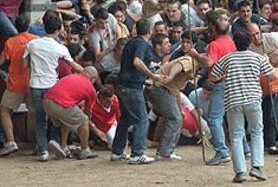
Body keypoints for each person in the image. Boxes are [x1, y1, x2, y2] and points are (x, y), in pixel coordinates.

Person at [210, 31, 276, 183]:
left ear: (235, 43)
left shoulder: (227, 59)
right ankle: (257, 167)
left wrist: (225, 76)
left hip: (233, 100)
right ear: (249, 42)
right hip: (253, 99)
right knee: (257, 132)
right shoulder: (257, 57)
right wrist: (266, 62)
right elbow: (274, 76)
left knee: (236, 136)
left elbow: (213, 76)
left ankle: (240, 172)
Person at [24, 12, 84, 161]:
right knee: (56, 117)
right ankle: (55, 141)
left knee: (40, 119)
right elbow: (74, 65)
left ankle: (43, 150)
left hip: (36, 84)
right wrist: (85, 72)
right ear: (58, 30)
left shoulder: (32, 44)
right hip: (53, 86)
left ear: (44, 27)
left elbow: (24, 65)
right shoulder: (60, 48)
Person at [111, 18, 165, 164]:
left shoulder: (131, 42)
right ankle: (137, 153)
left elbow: (130, 66)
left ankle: (117, 151)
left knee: (125, 119)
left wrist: (145, 80)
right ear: (150, 31)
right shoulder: (142, 43)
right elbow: (137, 62)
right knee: (142, 119)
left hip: (122, 85)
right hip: (132, 88)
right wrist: (152, 75)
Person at [189, 17, 240, 166]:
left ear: (214, 30)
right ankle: (245, 149)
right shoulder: (231, 42)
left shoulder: (214, 44)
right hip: (233, 83)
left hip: (221, 83)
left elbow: (209, 62)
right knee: (234, 117)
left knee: (214, 118)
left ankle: (222, 152)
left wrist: (196, 55)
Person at [146, 50, 199, 160]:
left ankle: (167, 150)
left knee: (176, 117)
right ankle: (164, 152)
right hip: (159, 87)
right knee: (175, 118)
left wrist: (179, 109)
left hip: (161, 89)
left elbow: (176, 93)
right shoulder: (190, 60)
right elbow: (178, 66)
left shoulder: (187, 74)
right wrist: (170, 76)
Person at [0, 15, 38, 156]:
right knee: (34, 113)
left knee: (4, 111)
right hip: (32, 82)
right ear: (28, 26)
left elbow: (2, 60)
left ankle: (11, 142)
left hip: (15, 83)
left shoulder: (10, 42)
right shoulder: (35, 39)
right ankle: (38, 143)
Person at [43, 67, 99, 160]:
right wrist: (91, 126)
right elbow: (88, 111)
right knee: (84, 120)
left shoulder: (71, 76)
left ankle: (63, 147)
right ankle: (85, 150)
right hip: (61, 104)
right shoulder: (90, 88)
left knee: (66, 120)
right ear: (93, 78)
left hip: (46, 101)